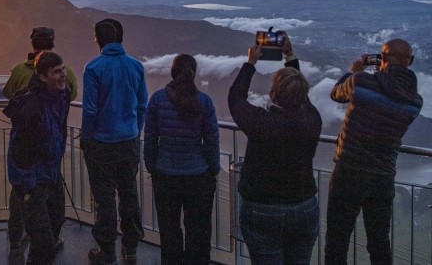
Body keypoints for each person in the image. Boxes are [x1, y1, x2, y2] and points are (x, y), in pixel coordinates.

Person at [324, 38, 423, 265]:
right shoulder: (415, 102)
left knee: (337, 241)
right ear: (411, 62)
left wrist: (353, 71)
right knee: (379, 243)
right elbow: (390, 96)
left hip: (348, 171)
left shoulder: (361, 81)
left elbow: (336, 94)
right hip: (382, 177)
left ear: (382, 59)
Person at [228, 34, 322, 264]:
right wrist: (290, 57)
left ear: (273, 95)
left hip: (262, 208)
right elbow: (301, 97)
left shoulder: (262, 123)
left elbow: (236, 99)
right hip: (303, 207)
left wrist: (250, 63)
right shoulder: (312, 120)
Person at [2, 27, 78, 255]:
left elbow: (7, 92)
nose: (62, 75)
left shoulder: (20, 73)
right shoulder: (34, 107)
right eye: (57, 72)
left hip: (48, 173)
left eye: (62, 70)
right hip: (35, 178)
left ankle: (16, 238)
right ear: (42, 76)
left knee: (48, 229)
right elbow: (21, 149)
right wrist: (27, 187)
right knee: (44, 241)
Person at [82, 18, 147, 265]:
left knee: (105, 197)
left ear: (98, 39)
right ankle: (131, 248)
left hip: (101, 143)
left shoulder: (94, 68)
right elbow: (142, 105)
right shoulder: (136, 66)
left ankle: (106, 252)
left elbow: (90, 110)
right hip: (129, 140)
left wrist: (86, 138)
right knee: (129, 194)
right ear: (121, 38)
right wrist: (135, 131)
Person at [144, 54, 220, 265]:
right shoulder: (204, 102)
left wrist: (152, 166)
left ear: (172, 72)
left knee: (169, 232)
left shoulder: (158, 99)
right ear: (194, 74)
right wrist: (213, 169)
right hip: (198, 176)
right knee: (198, 233)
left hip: (165, 175)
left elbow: (150, 137)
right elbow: (212, 139)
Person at [3, 26, 78, 101]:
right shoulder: (66, 71)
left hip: (26, 112)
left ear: (33, 43)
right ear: (52, 43)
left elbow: (7, 93)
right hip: (56, 112)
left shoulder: (19, 70)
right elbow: (72, 95)